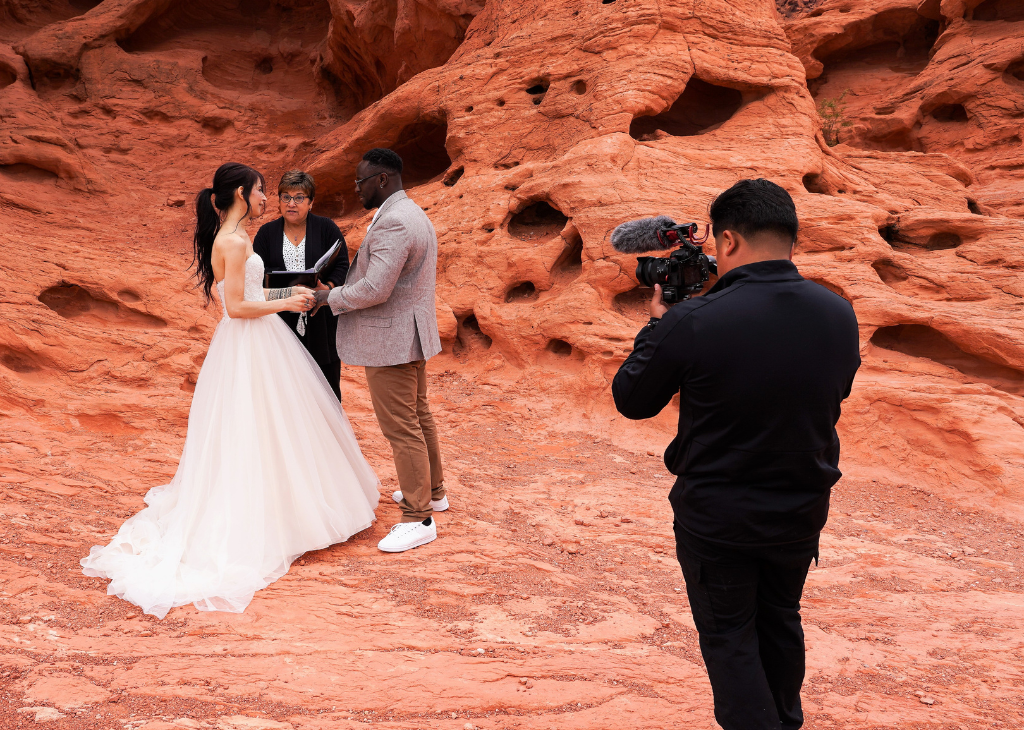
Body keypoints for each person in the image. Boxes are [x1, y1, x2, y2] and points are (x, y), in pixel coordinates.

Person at [612, 179, 861, 730]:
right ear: (788, 237)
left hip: (718, 517)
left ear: (726, 241)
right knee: (780, 620)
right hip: (800, 511)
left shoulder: (693, 321)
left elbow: (632, 401)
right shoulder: (839, 313)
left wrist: (658, 326)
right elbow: (832, 395)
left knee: (730, 637)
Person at [81, 162, 380, 618]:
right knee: (259, 421)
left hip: (256, 342)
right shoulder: (236, 241)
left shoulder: (234, 237)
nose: (266, 199)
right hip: (250, 340)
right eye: (261, 191)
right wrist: (291, 299)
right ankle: (277, 514)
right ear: (242, 193)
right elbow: (237, 307)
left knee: (265, 423)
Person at [312, 148, 446, 554]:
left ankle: (417, 517)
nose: (357, 188)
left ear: (383, 179)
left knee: (401, 426)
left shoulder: (394, 224)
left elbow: (374, 289)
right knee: (418, 416)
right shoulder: (413, 214)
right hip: (411, 334)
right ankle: (434, 492)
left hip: (391, 340)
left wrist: (328, 298)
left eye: (361, 181)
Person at [253, 170, 349, 399]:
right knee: (283, 387)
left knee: (326, 387)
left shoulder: (327, 228)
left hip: (321, 319)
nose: (291, 203)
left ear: (311, 202)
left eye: (299, 197)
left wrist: (328, 287)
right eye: (285, 197)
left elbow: (343, 264)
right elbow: (257, 272)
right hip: (279, 319)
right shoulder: (266, 234)